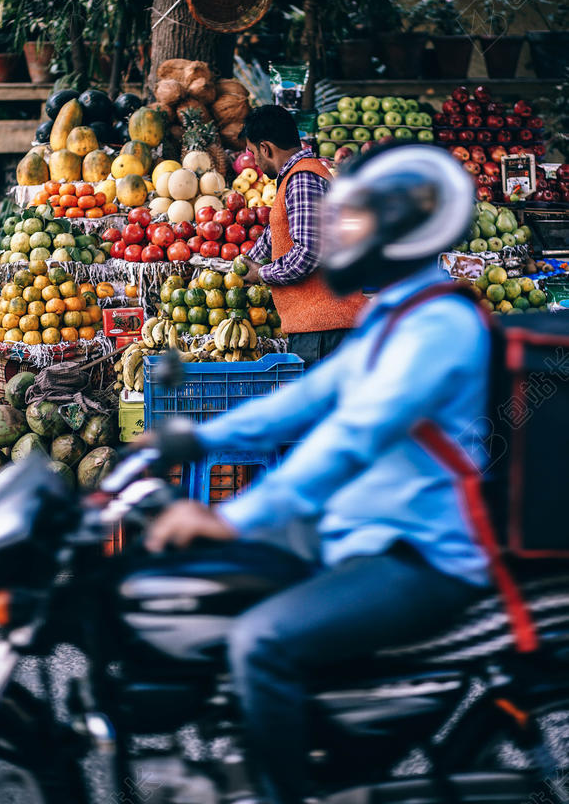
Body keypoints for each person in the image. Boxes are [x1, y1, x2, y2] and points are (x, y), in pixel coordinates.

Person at [144, 144, 495, 804]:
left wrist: (229, 516)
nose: (341, 234)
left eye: (359, 220)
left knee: (260, 641)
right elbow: (303, 399)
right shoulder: (392, 315)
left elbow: (346, 438)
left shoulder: (439, 326)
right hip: (360, 529)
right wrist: (193, 435)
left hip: (417, 552)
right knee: (219, 591)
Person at [240, 104, 366, 367]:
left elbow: (308, 251)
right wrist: (245, 264)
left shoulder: (302, 179)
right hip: (320, 328)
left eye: (253, 153)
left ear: (266, 148)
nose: (256, 163)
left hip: (325, 330)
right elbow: (277, 231)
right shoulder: (296, 178)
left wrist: (260, 274)